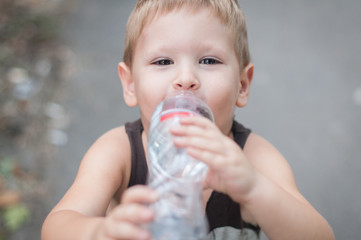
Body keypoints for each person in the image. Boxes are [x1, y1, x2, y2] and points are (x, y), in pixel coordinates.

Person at [42, 0, 335, 239]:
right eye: (163, 61)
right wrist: (100, 232)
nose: (185, 79)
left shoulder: (253, 159)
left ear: (242, 85)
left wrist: (254, 189)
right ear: (130, 84)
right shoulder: (117, 153)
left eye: (209, 61)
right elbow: (57, 227)